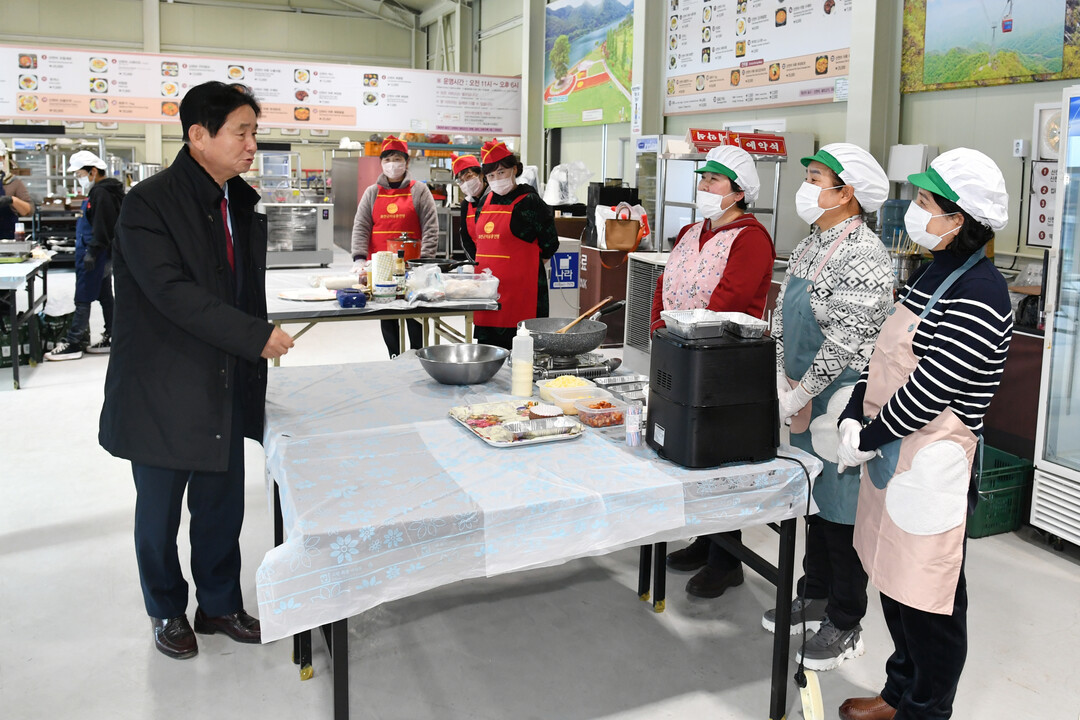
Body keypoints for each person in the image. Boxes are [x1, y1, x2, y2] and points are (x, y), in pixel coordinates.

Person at [99, 82, 294, 660]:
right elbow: (172, 293)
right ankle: (165, 610)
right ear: (198, 136)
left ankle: (218, 604)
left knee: (220, 505)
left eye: (254, 132)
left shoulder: (238, 200)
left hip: (222, 379)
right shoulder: (148, 204)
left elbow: (236, 290)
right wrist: (255, 337)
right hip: (163, 384)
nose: (252, 144)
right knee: (158, 514)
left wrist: (248, 349)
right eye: (242, 132)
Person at [835, 149, 1013, 720]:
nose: (914, 211)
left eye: (926, 203)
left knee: (929, 600)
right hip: (893, 451)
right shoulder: (933, 270)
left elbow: (934, 387)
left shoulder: (982, 292)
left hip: (930, 462)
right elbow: (886, 349)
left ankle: (926, 709)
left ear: (959, 219)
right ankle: (898, 692)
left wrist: (869, 434)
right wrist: (853, 411)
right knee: (891, 579)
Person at [766, 143, 895, 672]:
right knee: (813, 503)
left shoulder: (866, 255)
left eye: (817, 177)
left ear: (847, 194)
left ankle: (844, 620)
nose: (809, 186)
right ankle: (813, 592)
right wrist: (780, 374)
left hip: (839, 399)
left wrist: (800, 392)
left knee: (842, 514)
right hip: (800, 395)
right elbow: (782, 311)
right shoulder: (811, 242)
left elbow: (846, 342)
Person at [654, 145, 776, 599]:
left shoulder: (752, 238)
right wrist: (660, 334)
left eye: (714, 182)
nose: (703, 187)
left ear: (739, 191)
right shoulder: (690, 231)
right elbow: (667, 285)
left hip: (724, 365)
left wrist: (687, 342)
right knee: (691, 456)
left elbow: (730, 299)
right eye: (703, 179)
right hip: (682, 356)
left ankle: (727, 560)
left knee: (721, 459)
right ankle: (706, 541)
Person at [350, 136, 439, 357]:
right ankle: (394, 357)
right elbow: (361, 225)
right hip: (381, 267)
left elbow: (431, 226)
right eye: (387, 159)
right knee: (387, 313)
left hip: (412, 267)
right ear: (381, 163)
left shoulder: (419, 190)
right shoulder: (372, 192)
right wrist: (359, 259)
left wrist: (424, 261)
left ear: (406, 162)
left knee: (415, 313)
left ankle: (418, 356)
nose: (392, 164)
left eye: (397, 159)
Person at [472, 139, 559, 350]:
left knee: (521, 355)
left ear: (515, 169)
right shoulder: (485, 201)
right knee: (487, 353)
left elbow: (550, 243)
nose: (496, 179)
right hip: (488, 294)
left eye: (501, 172)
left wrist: (527, 266)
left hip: (521, 294)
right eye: (491, 175)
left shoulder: (530, 201)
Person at [45, 150, 124, 361]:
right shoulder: (101, 191)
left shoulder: (102, 193)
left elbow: (103, 225)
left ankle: (74, 342)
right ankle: (113, 335)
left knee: (83, 296)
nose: (78, 179)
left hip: (94, 253)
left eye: (80, 174)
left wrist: (92, 251)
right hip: (97, 251)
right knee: (105, 295)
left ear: (93, 172)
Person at [452, 152, 486, 261]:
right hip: (478, 261)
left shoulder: (496, 198)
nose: (466, 183)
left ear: (481, 174)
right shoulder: (466, 205)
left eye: (469, 176)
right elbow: (466, 239)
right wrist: (475, 262)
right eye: (461, 181)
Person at [0, 140, 34, 234]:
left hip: (7, 240)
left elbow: (28, 211)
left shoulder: (12, 181)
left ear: (3, 159)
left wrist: (12, 200)